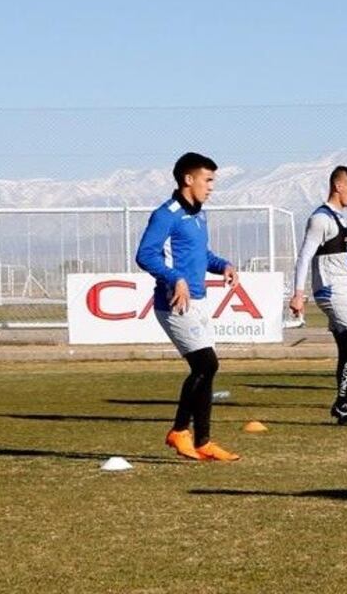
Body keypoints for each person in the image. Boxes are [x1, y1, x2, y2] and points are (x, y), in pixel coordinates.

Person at [136, 152, 240, 461]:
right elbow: (145, 254)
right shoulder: (165, 214)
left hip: (198, 300)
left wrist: (223, 265)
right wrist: (174, 277)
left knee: (206, 371)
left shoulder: (199, 213)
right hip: (174, 303)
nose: (211, 187)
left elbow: (201, 253)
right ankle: (180, 431)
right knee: (206, 365)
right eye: (208, 180)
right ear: (188, 179)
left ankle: (203, 442)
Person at [289, 166, 347, 425]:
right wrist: (298, 293)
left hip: (342, 287)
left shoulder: (340, 219)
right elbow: (304, 256)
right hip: (330, 291)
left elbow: (334, 262)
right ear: (338, 186)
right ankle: (344, 402)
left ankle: (344, 406)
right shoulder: (321, 219)